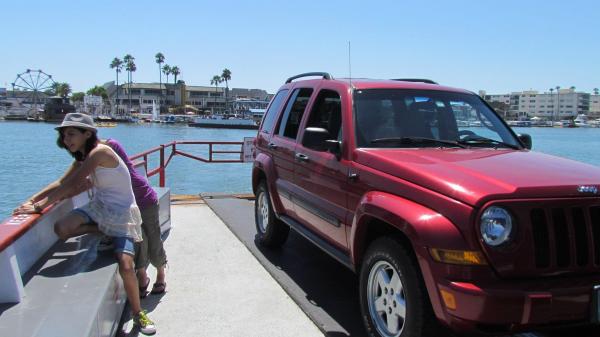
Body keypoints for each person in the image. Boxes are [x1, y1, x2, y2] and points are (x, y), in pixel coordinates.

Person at [13, 113, 156, 335]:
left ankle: (139, 314)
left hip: (121, 213)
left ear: (87, 133)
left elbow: (74, 183)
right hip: (99, 207)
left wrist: (40, 207)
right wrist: (31, 201)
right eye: (64, 134)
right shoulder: (83, 156)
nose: (66, 139)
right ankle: (105, 230)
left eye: (71, 134)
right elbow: (60, 182)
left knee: (126, 265)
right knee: (61, 228)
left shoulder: (100, 152)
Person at [103, 138, 167, 297]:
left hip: (145, 200)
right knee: (138, 241)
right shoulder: (91, 161)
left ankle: (161, 274)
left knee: (153, 237)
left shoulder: (111, 146)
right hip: (128, 206)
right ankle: (143, 276)